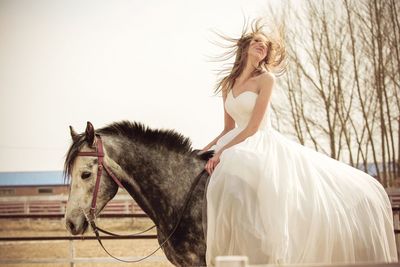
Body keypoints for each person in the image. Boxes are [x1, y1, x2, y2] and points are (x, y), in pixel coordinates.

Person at [200, 19, 398, 266]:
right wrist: (206, 150)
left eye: (266, 45)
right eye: (258, 42)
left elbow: (252, 127)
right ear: (246, 47)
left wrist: (222, 153)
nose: (263, 46)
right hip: (235, 139)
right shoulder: (227, 84)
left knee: (236, 173)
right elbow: (228, 128)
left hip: (258, 141)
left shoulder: (266, 80)